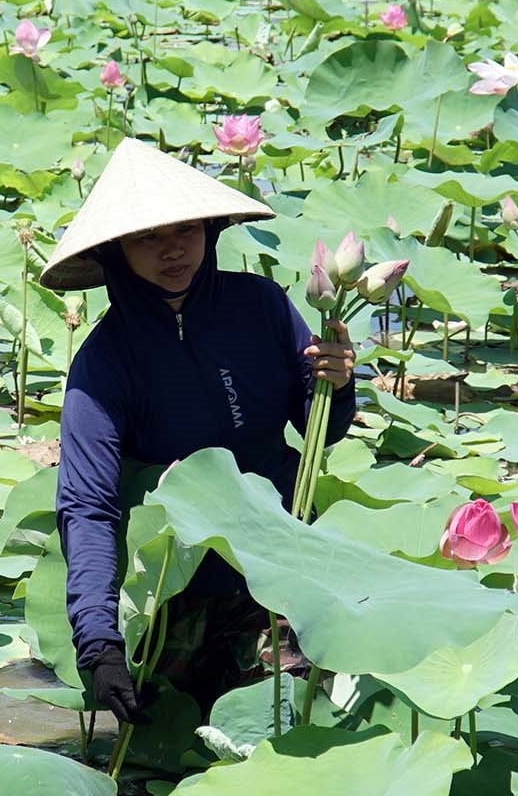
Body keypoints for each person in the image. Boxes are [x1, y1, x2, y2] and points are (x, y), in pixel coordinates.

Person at [43, 139, 357, 726]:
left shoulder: (261, 306)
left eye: (186, 230)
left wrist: (337, 387)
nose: (173, 251)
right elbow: (88, 507)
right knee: (176, 736)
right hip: (176, 583)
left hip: (282, 563)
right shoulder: (104, 363)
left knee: (291, 715)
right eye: (148, 238)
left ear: (210, 230)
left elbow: (322, 429)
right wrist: (99, 640)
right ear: (115, 251)